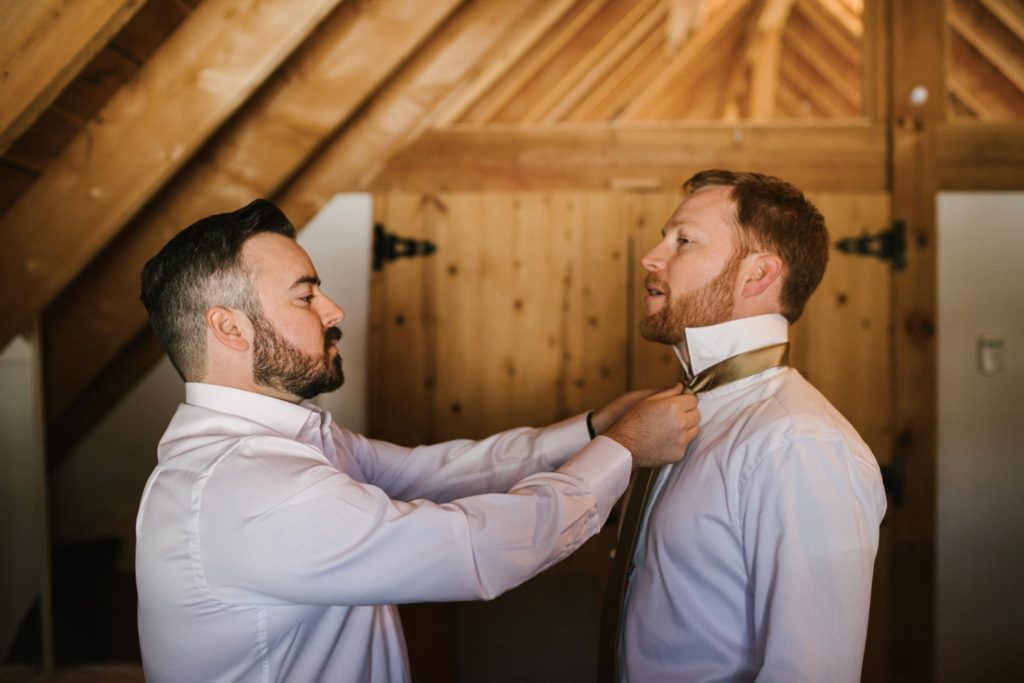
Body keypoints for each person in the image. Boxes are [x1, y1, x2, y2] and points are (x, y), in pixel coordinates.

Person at [134, 198, 700, 682]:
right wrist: (623, 450)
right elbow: (476, 548)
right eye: (305, 297)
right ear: (229, 328)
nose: (334, 311)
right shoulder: (252, 488)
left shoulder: (288, 443)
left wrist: (591, 430)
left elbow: (437, 472)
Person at [605, 170, 887, 682]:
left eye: (683, 241)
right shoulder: (679, 413)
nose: (651, 255)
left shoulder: (799, 445)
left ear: (757, 276)